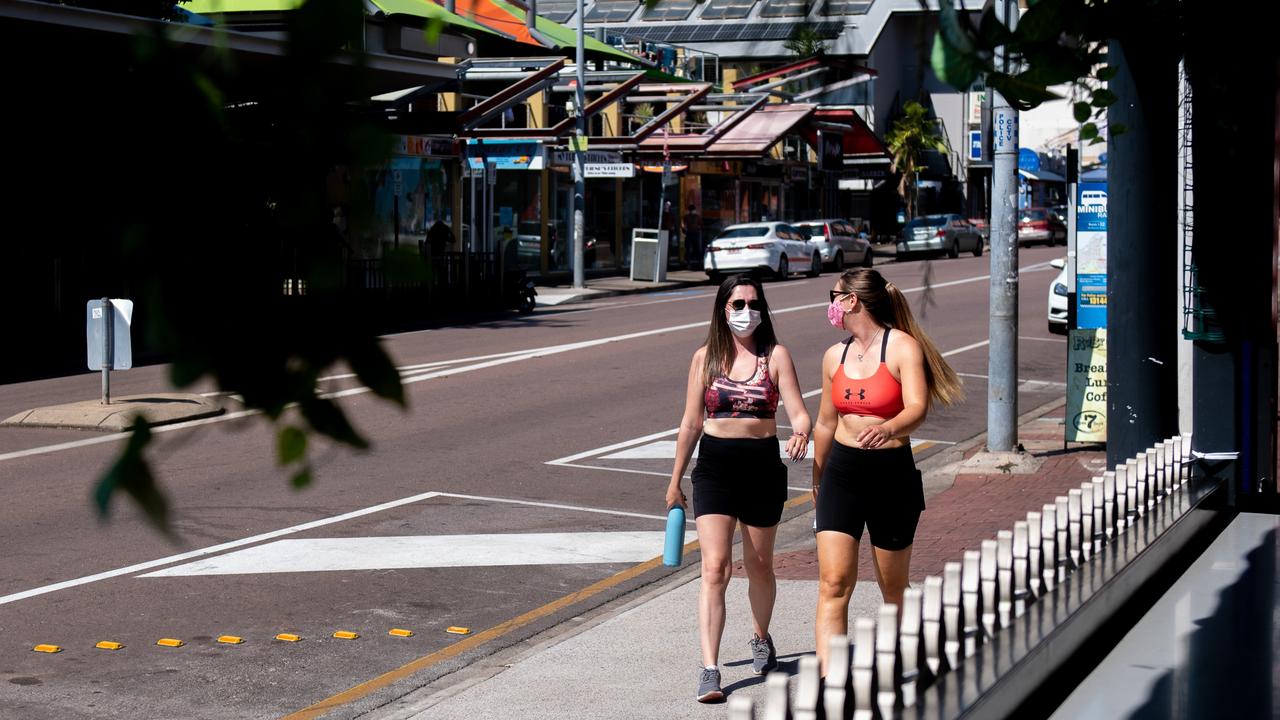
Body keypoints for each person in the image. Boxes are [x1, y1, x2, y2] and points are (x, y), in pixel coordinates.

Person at [666, 274, 812, 703]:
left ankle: (760, 638)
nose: (746, 311)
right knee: (715, 568)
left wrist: (800, 433)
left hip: (762, 466)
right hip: (714, 467)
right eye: (737, 304)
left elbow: (800, 412)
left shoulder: (776, 356)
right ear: (723, 309)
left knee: (760, 564)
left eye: (753, 302)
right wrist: (674, 480)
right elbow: (691, 422)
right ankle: (710, 668)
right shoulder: (705, 358)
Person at [811, 268, 963, 674]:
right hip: (842, 472)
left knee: (892, 586)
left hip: (890, 473)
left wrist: (889, 427)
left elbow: (917, 407)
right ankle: (831, 683)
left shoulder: (902, 348)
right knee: (833, 584)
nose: (831, 304)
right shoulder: (834, 356)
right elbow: (826, 422)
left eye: (835, 295)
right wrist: (817, 474)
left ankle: (913, 660)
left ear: (851, 300)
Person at [683, 204, 703, 270]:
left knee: (696, 249)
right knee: (689, 249)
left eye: (692, 210)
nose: (692, 211)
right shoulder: (687, 217)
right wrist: (684, 230)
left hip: (695, 233)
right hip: (690, 234)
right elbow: (683, 225)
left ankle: (699, 263)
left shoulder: (697, 217)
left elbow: (700, 225)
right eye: (691, 210)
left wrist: (699, 228)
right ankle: (689, 263)